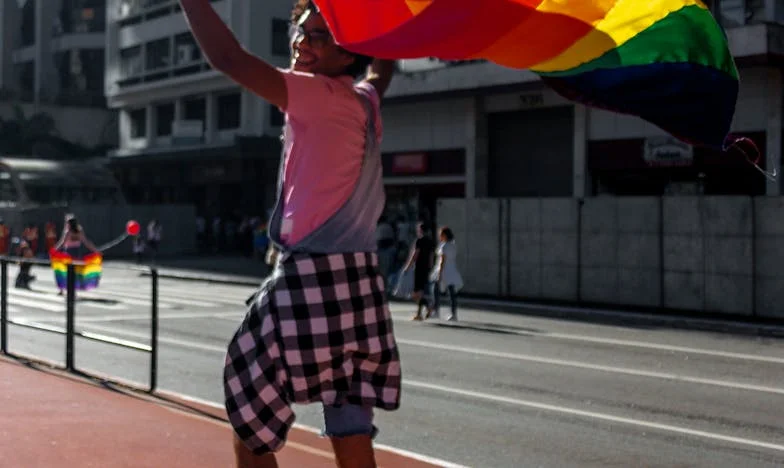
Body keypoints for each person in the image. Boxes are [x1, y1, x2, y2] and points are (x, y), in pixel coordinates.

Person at [179, 1, 401, 467]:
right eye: (301, 32)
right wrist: (387, 27)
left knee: (248, 411)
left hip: (311, 277)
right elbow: (384, 72)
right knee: (349, 417)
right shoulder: (364, 101)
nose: (304, 43)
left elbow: (230, 60)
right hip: (360, 284)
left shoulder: (318, 95)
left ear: (347, 54)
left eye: (321, 36)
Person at [54, 215, 99, 295]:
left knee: (64, 271)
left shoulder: (68, 231)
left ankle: (62, 290)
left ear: (69, 223)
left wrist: (54, 250)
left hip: (68, 252)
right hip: (77, 253)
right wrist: (95, 250)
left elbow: (62, 242)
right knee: (75, 273)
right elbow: (86, 242)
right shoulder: (79, 230)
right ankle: (72, 290)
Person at [429, 226, 464, 321]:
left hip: (444, 269)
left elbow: (442, 260)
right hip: (452, 269)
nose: (439, 236)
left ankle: (435, 311)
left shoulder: (444, 246)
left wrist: (440, 273)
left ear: (444, 235)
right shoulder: (453, 245)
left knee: (435, 290)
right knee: (452, 293)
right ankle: (453, 314)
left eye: (440, 234)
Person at [403, 222, 435, 321]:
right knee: (419, 292)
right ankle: (422, 311)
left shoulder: (419, 241)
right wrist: (430, 267)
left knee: (416, 293)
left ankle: (425, 309)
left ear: (420, 230)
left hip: (419, 267)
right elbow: (431, 256)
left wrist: (407, 266)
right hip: (426, 268)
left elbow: (415, 255)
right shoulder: (430, 241)